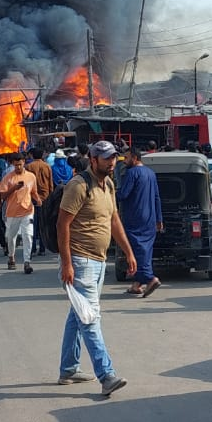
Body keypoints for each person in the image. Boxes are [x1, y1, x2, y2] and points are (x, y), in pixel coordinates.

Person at [57, 140, 136, 394]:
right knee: (90, 318)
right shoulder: (78, 186)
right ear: (92, 159)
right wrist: (67, 263)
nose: (111, 162)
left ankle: (68, 369)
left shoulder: (109, 185)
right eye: (105, 158)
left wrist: (128, 252)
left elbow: (113, 220)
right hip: (81, 262)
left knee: (78, 315)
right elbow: (62, 225)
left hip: (100, 261)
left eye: (113, 157)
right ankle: (106, 375)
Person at [116, 149, 163, 296]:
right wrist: (159, 219)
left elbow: (123, 194)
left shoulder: (131, 173)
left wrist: (112, 191)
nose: (124, 161)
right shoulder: (151, 173)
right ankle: (136, 284)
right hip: (150, 217)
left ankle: (150, 278)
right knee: (145, 251)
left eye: (127, 158)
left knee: (137, 250)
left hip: (135, 217)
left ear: (135, 158)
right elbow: (156, 197)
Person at [0, 153, 41, 273]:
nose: (18, 167)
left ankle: (27, 262)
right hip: (12, 213)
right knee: (11, 237)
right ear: (12, 164)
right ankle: (11, 257)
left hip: (27, 211)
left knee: (28, 236)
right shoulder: (8, 178)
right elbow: (2, 195)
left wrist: (38, 199)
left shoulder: (31, 177)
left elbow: (34, 192)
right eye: (16, 165)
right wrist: (13, 188)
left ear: (24, 163)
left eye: (20, 165)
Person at [26, 146, 54, 255]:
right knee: (43, 224)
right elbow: (50, 183)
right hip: (45, 198)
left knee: (32, 224)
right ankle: (42, 248)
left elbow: (27, 184)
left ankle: (32, 248)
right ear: (42, 155)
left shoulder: (29, 167)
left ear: (32, 155)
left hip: (32, 198)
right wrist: (51, 196)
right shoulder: (47, 166)